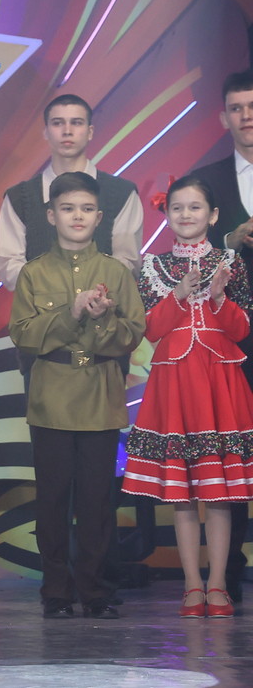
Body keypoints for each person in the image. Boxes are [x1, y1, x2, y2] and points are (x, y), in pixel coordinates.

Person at [9, 171, 146, 619]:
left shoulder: (115, 272)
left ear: (100, 217)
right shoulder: (33, 273)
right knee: (52, 500)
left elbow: (132, 334)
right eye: (68, 208)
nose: (78, 216)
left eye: (87, 209)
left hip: (100, 398)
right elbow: (23, 334)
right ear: (51, 215)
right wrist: (70, 314)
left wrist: (103, 318)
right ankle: (56, 590)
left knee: (96, 502)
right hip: (50, 398)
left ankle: (95, 590)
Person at [121, 176, 253, 618]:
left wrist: (217, 298)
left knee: (218, 493)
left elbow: (242, 328)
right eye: (177, 207)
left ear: (213, 215)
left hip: (219, 380)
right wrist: (178, 294)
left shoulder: (230, 261)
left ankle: (218, 585)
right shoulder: (153, 267)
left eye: (195, 207)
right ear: (167, 214)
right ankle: (192, 585)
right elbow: (150, 330)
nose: (186, 215)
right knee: (182, 496)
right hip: (174, 382)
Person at [191, 68, 253, 599]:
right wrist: (231, 240)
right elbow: (193, 247)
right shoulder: (207, 179)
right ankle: (225, 573)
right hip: (231, 339)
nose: (246, 116)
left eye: (252, 106)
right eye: (237, 108)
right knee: (231, 450)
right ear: (223, 117)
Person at [0, 93, 143, 292]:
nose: (67, 131)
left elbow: (127, 262)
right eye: (58, 123)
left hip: (104, 306)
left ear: (90, 132)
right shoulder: (18, 197)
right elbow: (9, 265)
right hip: (39, 307)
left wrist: (90, 293)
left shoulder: (122, 193)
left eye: (76, 123)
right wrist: (56, 291)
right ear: (46, 132)